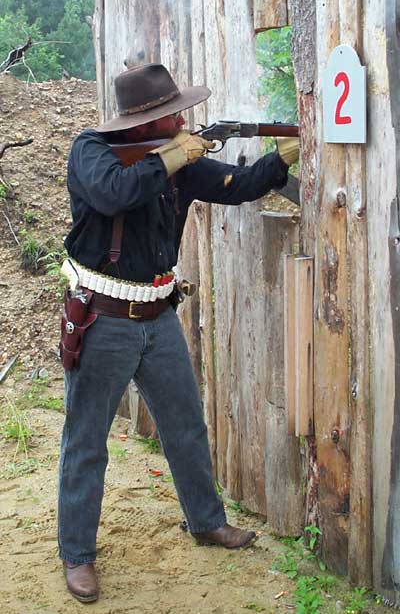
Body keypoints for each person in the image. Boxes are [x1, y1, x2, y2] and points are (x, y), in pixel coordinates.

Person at [58, 63, 298, 603]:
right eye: (173, 114)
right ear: (146, 123)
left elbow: (233, 188)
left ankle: (206, 521)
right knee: (86, 444)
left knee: (186, 427)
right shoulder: (92, 151)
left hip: (158, 316)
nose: (183, 120)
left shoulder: (178, 162)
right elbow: (114, 193)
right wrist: (171, 156)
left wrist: (279, 160)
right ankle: (77, 554)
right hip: (101, 319)